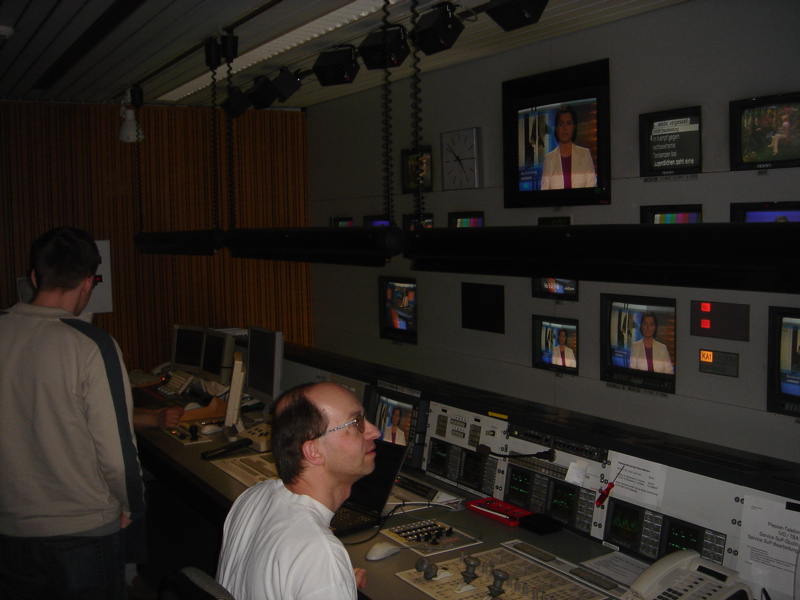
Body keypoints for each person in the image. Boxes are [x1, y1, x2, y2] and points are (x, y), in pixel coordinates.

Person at [0, 226, 145, 600]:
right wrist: (133, 506)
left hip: (10, 533)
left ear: (34, 278)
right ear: (88, 283)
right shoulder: (92, 345)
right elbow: (116, 453)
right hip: (83, 532)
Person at [217, 382, 380, 600]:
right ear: (314, 451)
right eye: (356, 422)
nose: (374, 432)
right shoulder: (318, 552)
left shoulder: (254, 496)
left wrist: (331, 585)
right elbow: (310, 560)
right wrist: (328, 579)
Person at [541, 106, 597, 190]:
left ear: (574, 126)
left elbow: (592, 187)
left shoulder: (585, 154)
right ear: (556, 128)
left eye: (569, 123)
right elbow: (544, 190)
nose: (565, 128)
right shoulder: (549, 159)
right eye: (561, 124)